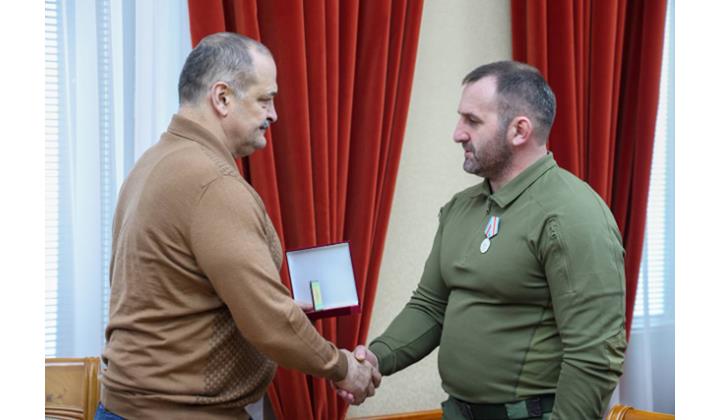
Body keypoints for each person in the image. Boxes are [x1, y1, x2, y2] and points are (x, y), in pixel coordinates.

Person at [97, 32, 379, 420]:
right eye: (265, 99)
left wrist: (264, 303)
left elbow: (178, 294)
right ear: (222, 98)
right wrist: (342, 367)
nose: (273, 114)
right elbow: (269, 323)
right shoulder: (213, 182)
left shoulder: (152, 163)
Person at [343, 61, 627, 419]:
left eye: (472, 121)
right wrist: (374, 358)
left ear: (519, 130)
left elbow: (595, 353)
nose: (457, 134)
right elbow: (430, 306)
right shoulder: (460, 208)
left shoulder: (573, 214)